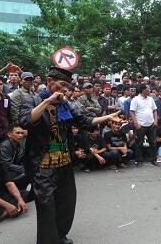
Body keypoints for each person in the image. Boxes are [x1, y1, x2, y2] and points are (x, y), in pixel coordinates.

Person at [19, 67, 121, 244]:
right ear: (49, 81)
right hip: (43, 165)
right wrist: (47, 101)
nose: (65, 90)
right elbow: (26, 120)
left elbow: (84, 121)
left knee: (66, 203)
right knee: (46, 207)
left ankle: (60, 236)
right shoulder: (32, 100)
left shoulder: (64, 105)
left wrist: (106, 118)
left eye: (67, 86)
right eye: (62, 85)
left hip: (64, 162)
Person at [130, 84, 158, 166]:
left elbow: (155, 110)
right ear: (143, 90)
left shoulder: (151, 99)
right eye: (148, 89)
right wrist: (135, 123)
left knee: (153, 142)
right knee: (139, 143)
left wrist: (155, 120)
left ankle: (153, 159)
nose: (150, 90)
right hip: (140, 124)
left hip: (151, 124)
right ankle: (139, 160)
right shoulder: (136, 99)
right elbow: (132, 112)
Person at [0, 125, 27, 190]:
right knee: (27, 173)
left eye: (22, 133)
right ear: (9, 134)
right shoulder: (4, 146)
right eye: (17, 133)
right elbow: (6, 164)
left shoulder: (20, 144)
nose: (20, 135)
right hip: (4, 172)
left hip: (14, 170)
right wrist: (24, 169)